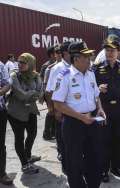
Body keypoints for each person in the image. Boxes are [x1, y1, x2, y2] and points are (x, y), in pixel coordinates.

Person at [52, 41, 106, 188]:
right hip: (74, 123)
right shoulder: (64, 76)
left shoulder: (90, 74)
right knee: (74, 161)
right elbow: (58, 104)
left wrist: (100, 108)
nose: (90, 59)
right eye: (86, 56)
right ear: (76, 58)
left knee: (94, 157)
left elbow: (96, 95)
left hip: (92, 120)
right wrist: (82, 117)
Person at [92, 39, 120, 182]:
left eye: (112, 50)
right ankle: (103, 170)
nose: (109, 53)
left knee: (118, 139)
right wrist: (97, 89)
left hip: (119, 108)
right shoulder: (96, 68)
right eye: (107, 50)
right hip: (103, 109)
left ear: (118, 52)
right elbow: (89, 89)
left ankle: (116, 167)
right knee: (104, 141)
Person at [7, 53, 42, 174]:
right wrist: (33, 93)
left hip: (30, 110)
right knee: (19, 138)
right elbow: (20, 94)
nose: (20, 64)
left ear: (31, 63)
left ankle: (28, 155)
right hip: (15, 112)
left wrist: (31, 94)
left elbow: (40, 92)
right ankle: (24, 164)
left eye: (23, 62)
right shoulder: (14, 75)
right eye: (19, 61)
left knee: (32, 134)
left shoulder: (36, 76)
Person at [45, 41, 72, 171]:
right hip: (61, 110)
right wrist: (53, 110)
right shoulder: (57, 68)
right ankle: (66, 167)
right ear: (66, 53)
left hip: (74, 110)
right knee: (63, 139)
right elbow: (49, 91)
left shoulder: (75, 66)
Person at [0, 61, 12, 185]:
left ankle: (1, 173)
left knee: (0, 144)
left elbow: (7, 84)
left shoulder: (0, 65)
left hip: (0, 110)